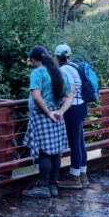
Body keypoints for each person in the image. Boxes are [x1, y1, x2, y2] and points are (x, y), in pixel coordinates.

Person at [22, 45, 74, 198]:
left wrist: (48, 113)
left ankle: (43, 187)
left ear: (33, 59)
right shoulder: (58, 72)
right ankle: (52, 186)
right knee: (55, 152)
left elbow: (37, 97)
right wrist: (61, 111)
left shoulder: (37, 73)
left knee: (45, 152)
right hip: (57, 114)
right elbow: (69, 96)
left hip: (43, 115)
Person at [54, 44, 90, 189]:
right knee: (80, 142)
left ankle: (75, 178)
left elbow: (70, 91)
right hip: (81, 105)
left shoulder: (64, 70)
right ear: (70, 55)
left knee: (75, 143)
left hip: (72, 108)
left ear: (57, 57)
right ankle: (83, 176)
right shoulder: (75, 66)